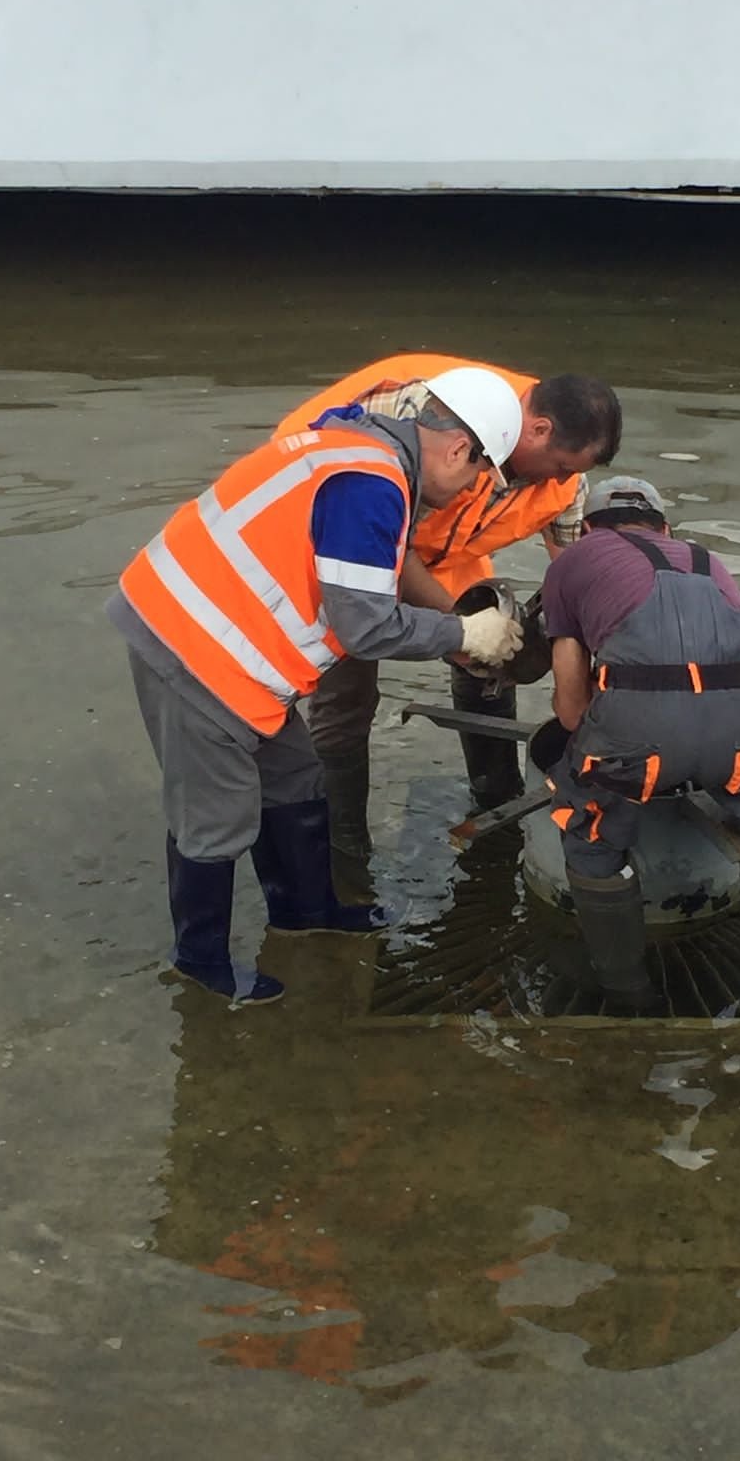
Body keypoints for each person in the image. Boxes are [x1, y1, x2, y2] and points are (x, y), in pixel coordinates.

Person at [108, 368, 526, 1004]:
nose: (467, 492)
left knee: (296, 776)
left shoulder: (360, 449)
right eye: (474, 477)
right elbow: (365, 626)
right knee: (214, 820)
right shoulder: (370, 481)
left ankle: (305, 914)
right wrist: (465, 636)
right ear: (459, 449)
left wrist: (452, 630)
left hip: (226, 641)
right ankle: (199, 963)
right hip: (190, 645)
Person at [274, 352, 622, 881]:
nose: (563, 482)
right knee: (346, 696)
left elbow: (581, 581)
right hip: (336, 530)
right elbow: (393, 541)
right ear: (538, 429)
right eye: (562, 467)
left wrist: (612, 671)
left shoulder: (560, 482)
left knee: (495, 650)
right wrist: (460, 630)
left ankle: (495, 798)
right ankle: (345, 854)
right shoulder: (442, 417)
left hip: (441, 546)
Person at [540, 476, 740, 1015]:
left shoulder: (571, 561)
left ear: (587, 529)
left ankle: (630, 998)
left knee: (589, 835)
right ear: (665, 528)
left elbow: (569, 709)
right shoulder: (709, 562)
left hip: (640, 739)